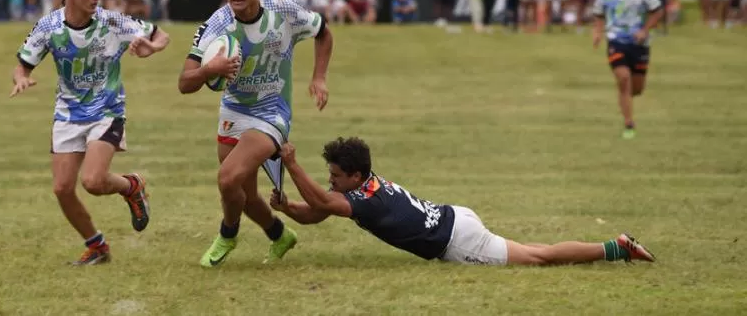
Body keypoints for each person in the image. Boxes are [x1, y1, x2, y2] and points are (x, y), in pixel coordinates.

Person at [270, 137, 655, 266]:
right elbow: (315, 212)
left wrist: (292, 164)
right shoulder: (362, 188)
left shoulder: (362, 202)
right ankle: (615, 248)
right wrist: (288, 208)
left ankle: (617, 248)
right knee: (538, 250)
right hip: (456, 218)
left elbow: (320, 200)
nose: (331, 181)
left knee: (540, 258)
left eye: (336, 176)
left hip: (458, 240)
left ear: (354, 176)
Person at [11, 0, 170, 265]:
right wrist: (21, 78)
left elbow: (160, 34)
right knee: (61, 189)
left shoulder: (113, 22)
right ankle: (97, 247)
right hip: (68, 114)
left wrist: (154, 47)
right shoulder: (49, 27)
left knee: (94, 182)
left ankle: (131, 186)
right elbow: (22, 64)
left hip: (107, 111)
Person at [178, 0, 333, 268]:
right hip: (233, 111)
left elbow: (324, 32)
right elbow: (184, 82)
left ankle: (227, 233)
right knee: (243, 195)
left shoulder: (284, 13)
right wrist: (212, 69)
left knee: (226, 179)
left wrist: (319, 76)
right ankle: (279, 235)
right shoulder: (216, 24)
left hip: (272, 113)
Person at [592, 0, 664, 139]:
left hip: (639, 43)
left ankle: (625, 100)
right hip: (616, 40)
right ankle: (629, 123)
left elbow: (657, 11)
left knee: (637, 88)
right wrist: (598, 32)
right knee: (623, 78)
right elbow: (599, 13)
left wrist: (645, 30)